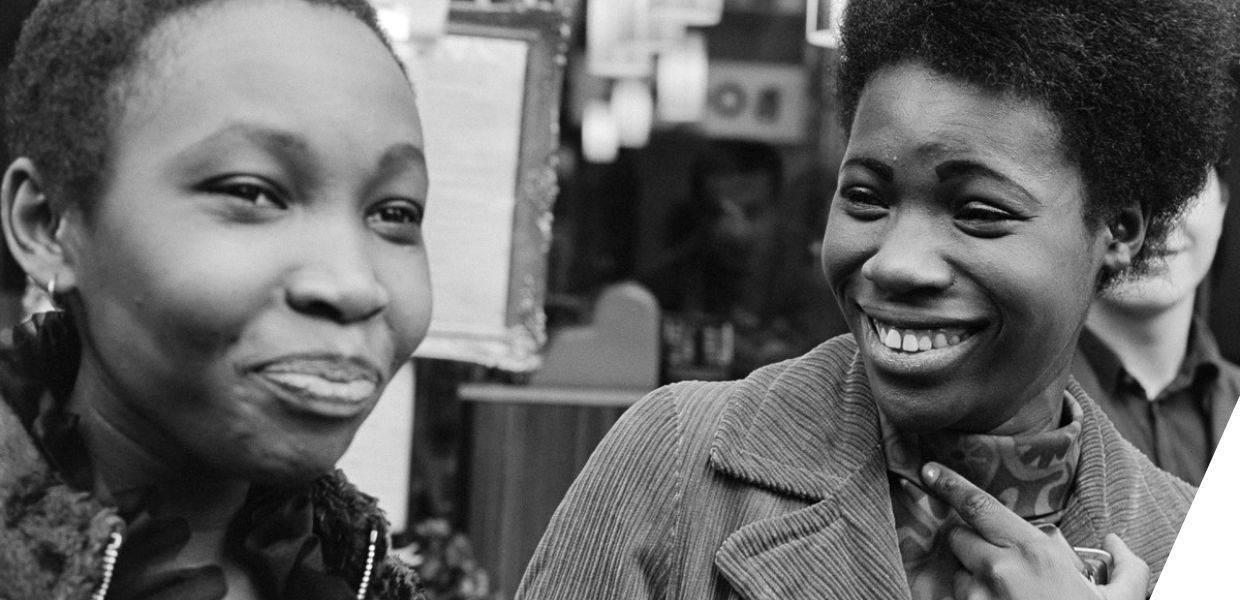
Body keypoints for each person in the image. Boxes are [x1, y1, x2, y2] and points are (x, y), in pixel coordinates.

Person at [516, 0, 1237, 599]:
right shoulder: (675, 464)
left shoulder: (1192, 547)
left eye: (978, 211)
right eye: (864, 197)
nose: (895, 263)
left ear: (1120, 229)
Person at [0, 0, 431, 598]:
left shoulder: (355, 574)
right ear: (49, 224)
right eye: (252, 193)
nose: (356, 285)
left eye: (393, 213)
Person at [1072, 163, 1240, 486]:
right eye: (1125, 183)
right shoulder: (1013, 407)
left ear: (1223, 203)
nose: (1159, 217)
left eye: (1186, 183)